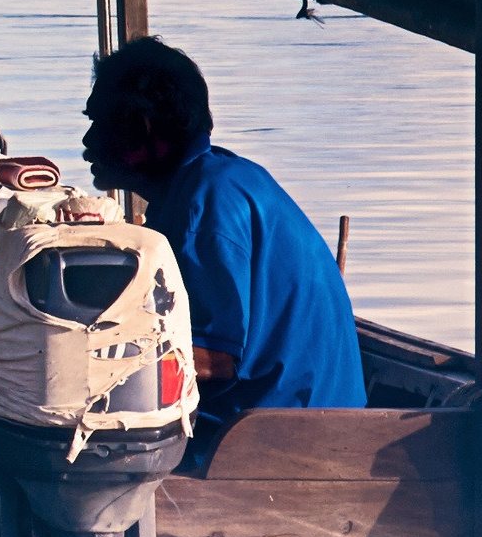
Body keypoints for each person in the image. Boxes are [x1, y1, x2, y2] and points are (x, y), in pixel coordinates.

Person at [81, 37, 365, 420]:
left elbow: (215, 360)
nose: (87, 142)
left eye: (100, 123)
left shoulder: (207, 203)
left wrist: (75, 354)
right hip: (301, 418)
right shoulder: (221, 179)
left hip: (284, 434)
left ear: (144, 126)